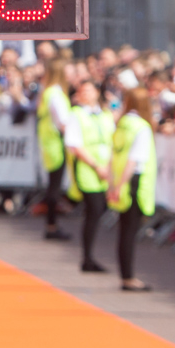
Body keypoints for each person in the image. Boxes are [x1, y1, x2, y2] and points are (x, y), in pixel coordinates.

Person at [108, 87, 156, 291]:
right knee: (129, 231)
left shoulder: (123, 124)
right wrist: (120, 185)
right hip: (133, 182)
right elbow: (133, 160)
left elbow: (114, 155)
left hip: (120, 179)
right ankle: (128, 277)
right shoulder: (141, 127)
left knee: (124, 230)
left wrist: (113, 183)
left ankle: (126, 275)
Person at [64, 78, 114, 273]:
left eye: (89, 90)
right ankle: (87, 257)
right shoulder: (76, 114)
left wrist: (108, 167)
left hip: (105, 168)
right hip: (89, 169)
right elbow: (75, 145)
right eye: (81, 91)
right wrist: (96, 166)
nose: (85, 94)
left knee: (98, 210)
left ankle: (89, 256)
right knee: (93, 211)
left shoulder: (104, 115)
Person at [36, 58, 73, 240]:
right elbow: (63, 122)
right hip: (56, 144)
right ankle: (52, 225)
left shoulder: (47, 92)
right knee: (54, 187)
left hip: (48, 143)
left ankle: (51, 225)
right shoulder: (56, 94)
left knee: (53, 185)